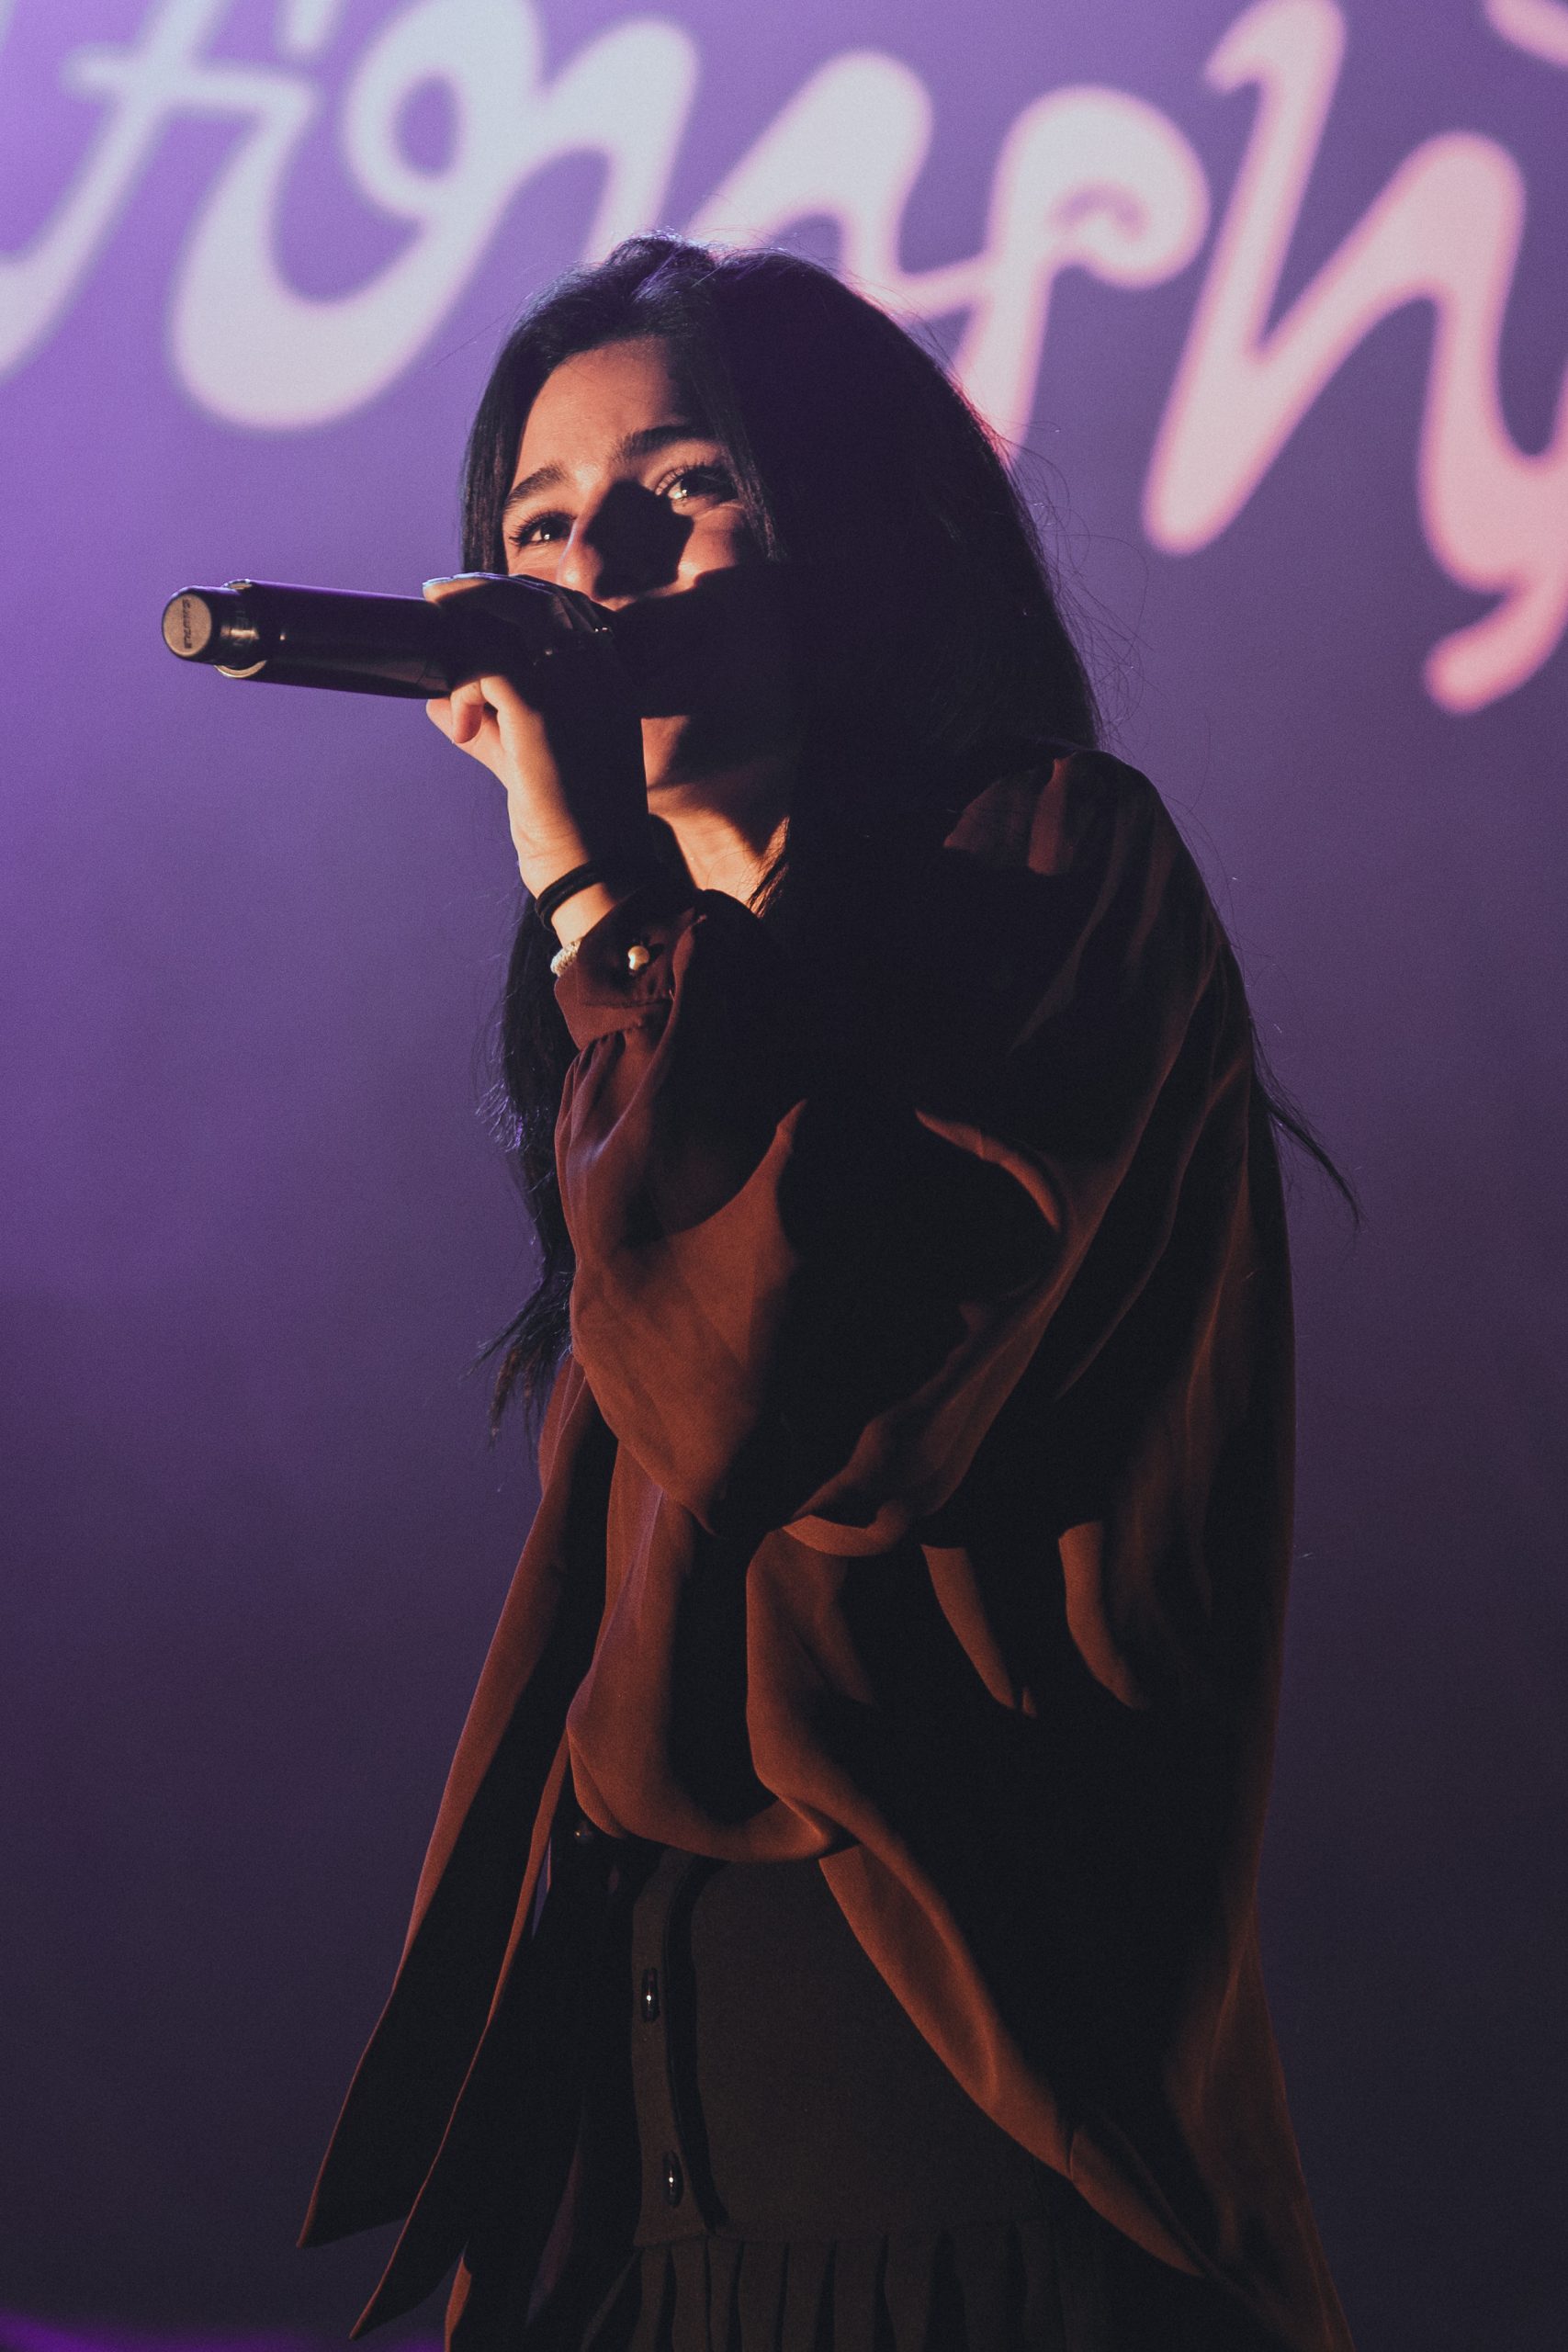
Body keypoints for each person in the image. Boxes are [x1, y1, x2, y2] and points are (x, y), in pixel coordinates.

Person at [298, 237, 1356, 2352]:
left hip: (969, 2188)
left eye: (680, 490)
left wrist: (592, 891)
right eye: (538, 525)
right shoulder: (649, 1016)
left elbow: (781, 1402)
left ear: (848, 527)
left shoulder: (1047, 869)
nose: (595, 568)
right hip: (653, 2205)